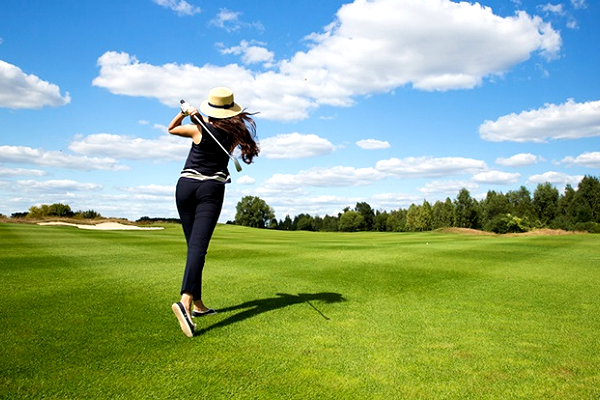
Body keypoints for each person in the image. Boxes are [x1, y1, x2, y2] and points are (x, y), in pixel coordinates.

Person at [168, 87, 259, 337]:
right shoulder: (231, 133)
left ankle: (198, 305)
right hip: (210, 188)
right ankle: (185, 303)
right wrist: (198, 118)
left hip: (184, 187)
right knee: (198, 247)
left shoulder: (198, 128)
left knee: (194, 247)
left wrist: (184, 113)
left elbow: (171, 129)